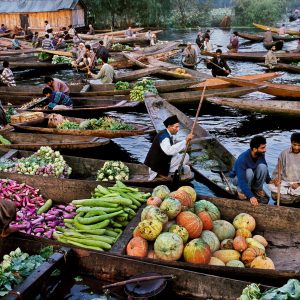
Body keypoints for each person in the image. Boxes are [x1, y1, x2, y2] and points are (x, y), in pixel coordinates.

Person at [144, 115, 194, 180]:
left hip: (160, 162)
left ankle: (168, 171)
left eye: (178, 127)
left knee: (183, 160)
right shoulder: (165, 138)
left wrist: (185, 143)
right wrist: (185, 141)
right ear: (169, 126)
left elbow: (172, 150)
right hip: (157, 167)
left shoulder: (166, 133)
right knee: (186, 156)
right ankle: (162, 173)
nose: (178, 129)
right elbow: (169, 151)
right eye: (176, 127)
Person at [229, 135, 271, 206]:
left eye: (265, 147)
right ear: (254, 149)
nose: (265, 150)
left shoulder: (260, 154)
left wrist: (269, 180)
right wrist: (251, 196)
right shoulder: (242, 159)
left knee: (263, 167)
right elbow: (241, 180)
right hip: (237, 178)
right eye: (262, 148)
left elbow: (265, 168)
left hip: (250, 176)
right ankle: (241, 192)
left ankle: (257, 189)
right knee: (248, 172)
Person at [268, 133, 300, 200]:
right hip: (286, 182)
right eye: (294, 145)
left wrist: (298, 184)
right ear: (291, 143)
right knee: (271, 185)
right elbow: (278, 170)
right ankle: (290, 191)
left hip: (298, 183)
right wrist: (277, 179)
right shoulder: (284, 153)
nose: (297, 147)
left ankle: (289, 191)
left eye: (299, 145)